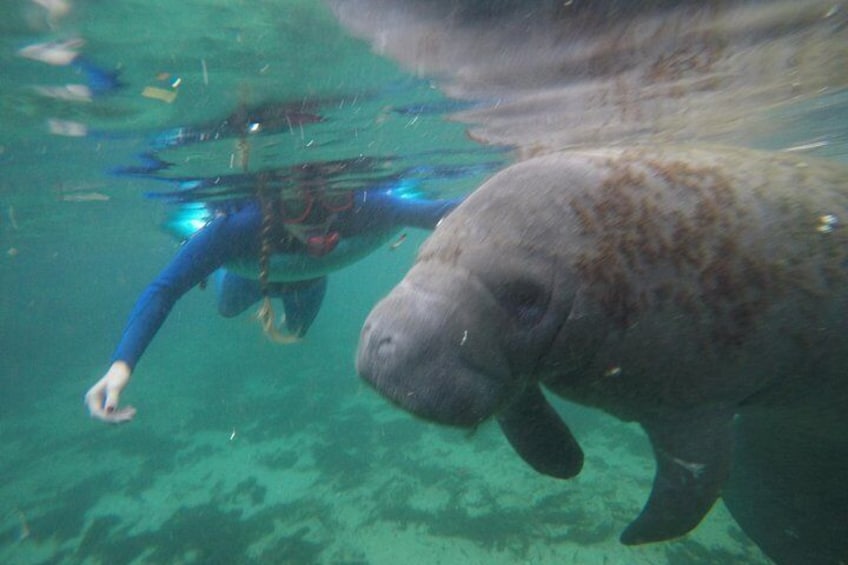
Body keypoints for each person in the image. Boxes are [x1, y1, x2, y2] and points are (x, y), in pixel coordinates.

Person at [84, 176, 461, 424]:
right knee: (228, 307)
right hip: (248, 274)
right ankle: (231, 274)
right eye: (297, 204)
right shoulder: (242, 227)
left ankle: (288, 287)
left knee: (299, 330)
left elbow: (448, 212)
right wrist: (122, 366)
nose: (318, 218)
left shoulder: (366, 206)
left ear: (348, 194)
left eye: (334, 198)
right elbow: (164, 289)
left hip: (307, 280)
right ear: (275, 204)